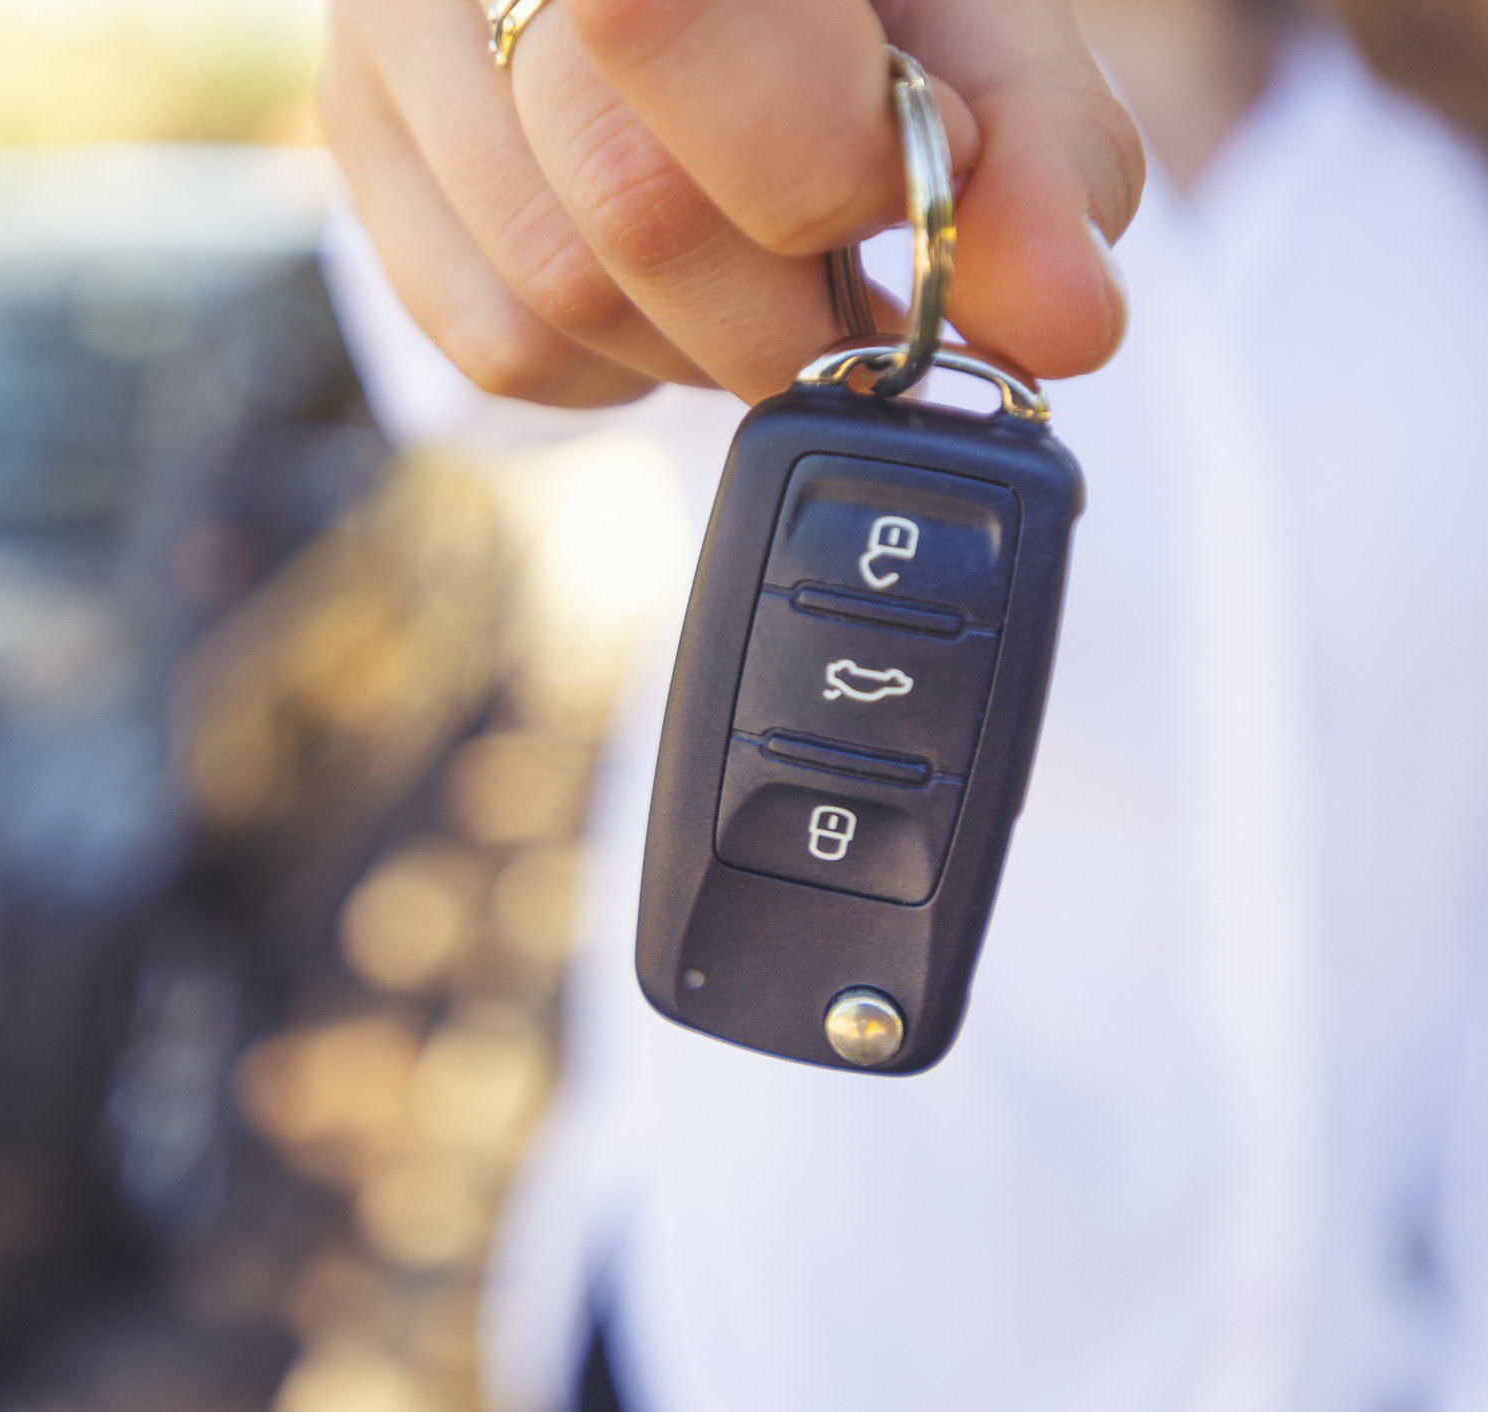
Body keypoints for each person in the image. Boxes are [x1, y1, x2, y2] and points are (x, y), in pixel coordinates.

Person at [319, 0, 1488, 1408]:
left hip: (1373, 1350)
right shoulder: (809, 70)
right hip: (783, 1347)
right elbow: (469, 285)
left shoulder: (1441, 162)